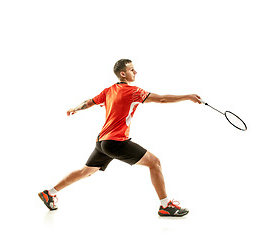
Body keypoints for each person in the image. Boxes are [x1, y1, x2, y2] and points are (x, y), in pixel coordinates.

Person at [38, 59, 201, 217]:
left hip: (102, 142)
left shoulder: (109, 90)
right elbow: (162, 99)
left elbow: (89, 103)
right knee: (155, 163)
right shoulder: (134, 91)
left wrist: (75, 109)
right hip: (116, 142)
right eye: (132, 69)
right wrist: (187, 96)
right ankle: (166, 206)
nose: (135, 72)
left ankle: (50, 193)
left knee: (85, 171)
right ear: (123, 74)